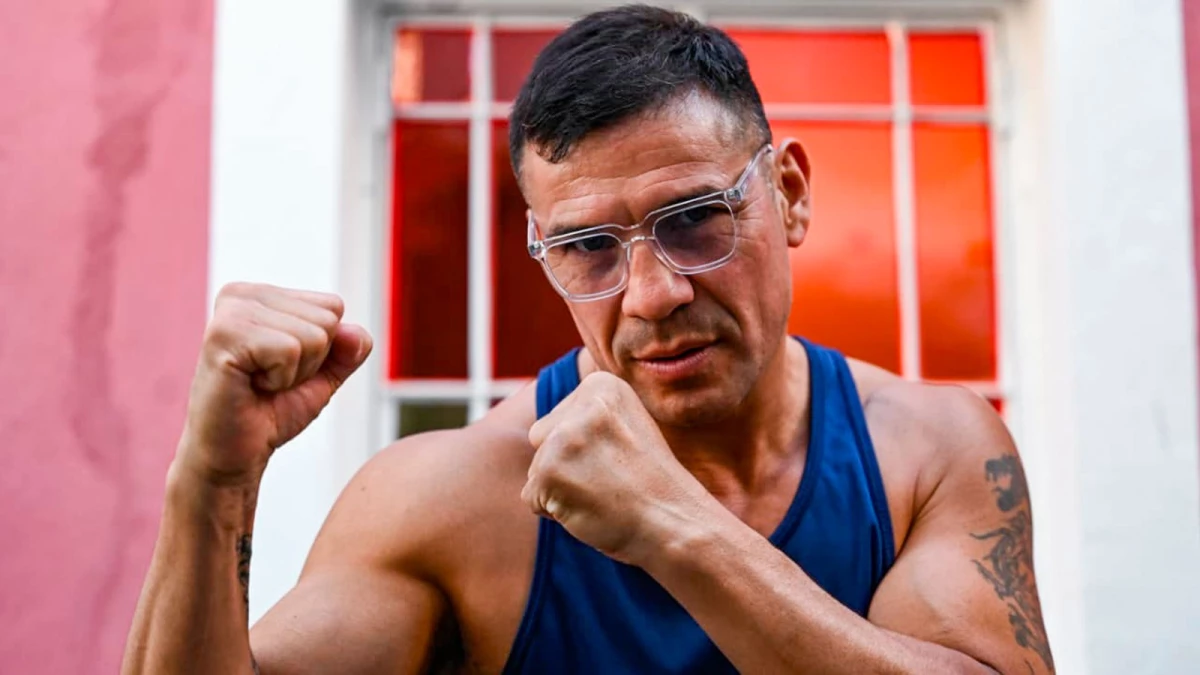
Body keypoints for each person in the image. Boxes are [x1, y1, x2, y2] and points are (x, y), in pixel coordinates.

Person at [122, 5, 1054, 674]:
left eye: (695, 219)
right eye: (588, 247)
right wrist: (211, 478)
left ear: (793, 195)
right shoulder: (455, 496)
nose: (652, 293)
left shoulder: (929, 452)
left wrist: (674, 529)